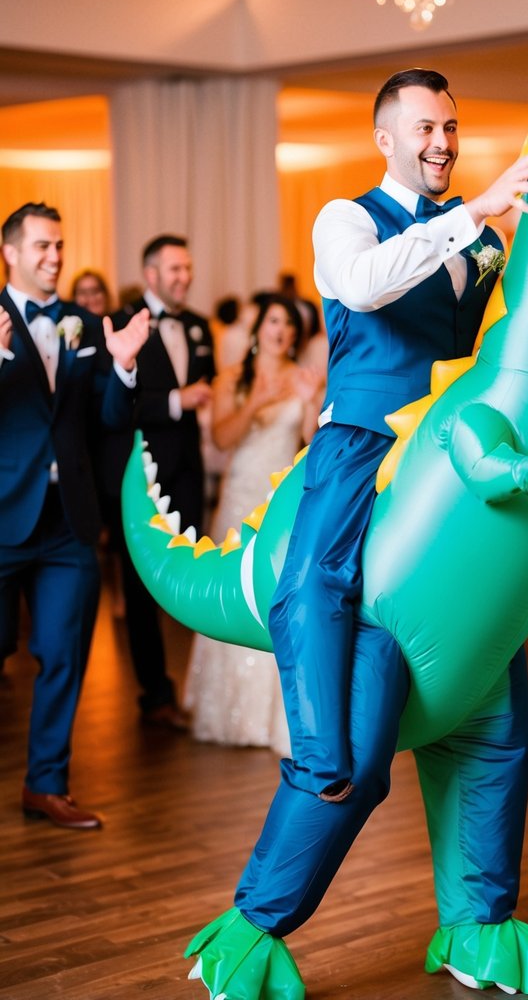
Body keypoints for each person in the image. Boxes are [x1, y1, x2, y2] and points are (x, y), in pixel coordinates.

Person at [213, 67, 528, 956]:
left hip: (443, 468)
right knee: (341, 720)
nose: (440, 141)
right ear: (386, 138)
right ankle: (254, 921)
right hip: (359, 449)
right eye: (424, 128)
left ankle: (481, 924)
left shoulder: (482, 243)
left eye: (450, 125)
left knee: (501, 723)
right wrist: (474, 212)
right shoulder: (347, 218)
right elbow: (362, 287)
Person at [0, 201, 148, 829]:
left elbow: (110, 420)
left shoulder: (87, 325)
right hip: (3, 516)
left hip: (70, 520)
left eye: (59, 246)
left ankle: (47, 785)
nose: (54, 257)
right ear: (9, 253)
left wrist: (123, 365)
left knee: (64, 654)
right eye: (41, 247)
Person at [184, 294, 320, 750]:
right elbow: (222, 439)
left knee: (275, 594)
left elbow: (310, 446)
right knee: (231, 589)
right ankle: (230, 709)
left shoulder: (304, 378)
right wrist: (255, 400)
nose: (281, 331)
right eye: (274, 322)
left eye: (289, 325)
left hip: (280, 500)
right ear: (258, 329)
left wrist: (306, 404)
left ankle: (275, 717)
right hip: (240, 497)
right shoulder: (231, 380)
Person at [103, 234, 215, 729]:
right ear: (150, 274)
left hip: (188, 470)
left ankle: (197, 685)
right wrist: (177, 401)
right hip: (141, 474)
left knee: (187, 575)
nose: (184, 277)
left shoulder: (197, 324)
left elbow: (205, 386)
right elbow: (114, 407)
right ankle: (155, 694)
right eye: (174, 269)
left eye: (188, 268)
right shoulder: (125, 324)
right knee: (142, 585)